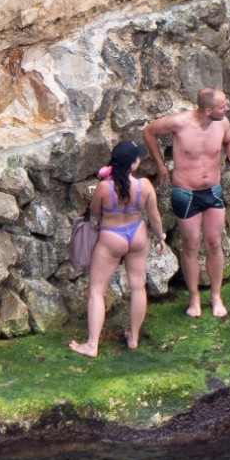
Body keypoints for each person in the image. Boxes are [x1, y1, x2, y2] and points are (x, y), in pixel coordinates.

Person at [143, 88, 230, 319]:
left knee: (214, 243)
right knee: (191, 244)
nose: (227, 109)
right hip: (185, 192)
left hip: (213, 191)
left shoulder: (222, 123)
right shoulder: (180, 123)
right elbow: (149, 131)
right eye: (222, 106)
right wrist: (160, 164)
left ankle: (216, 296)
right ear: (207, 110)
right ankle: (194, 297)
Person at [70, 140, 164, 358]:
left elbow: (95, 212)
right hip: (137, 235)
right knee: (138, 287)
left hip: (112, 238)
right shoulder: (145, 186)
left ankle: (92, 345)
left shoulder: (105, 187)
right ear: (132, 164)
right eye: (137, 157)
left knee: (96, 291)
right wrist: (160, 237)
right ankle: (134, 337)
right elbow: (154, 216)